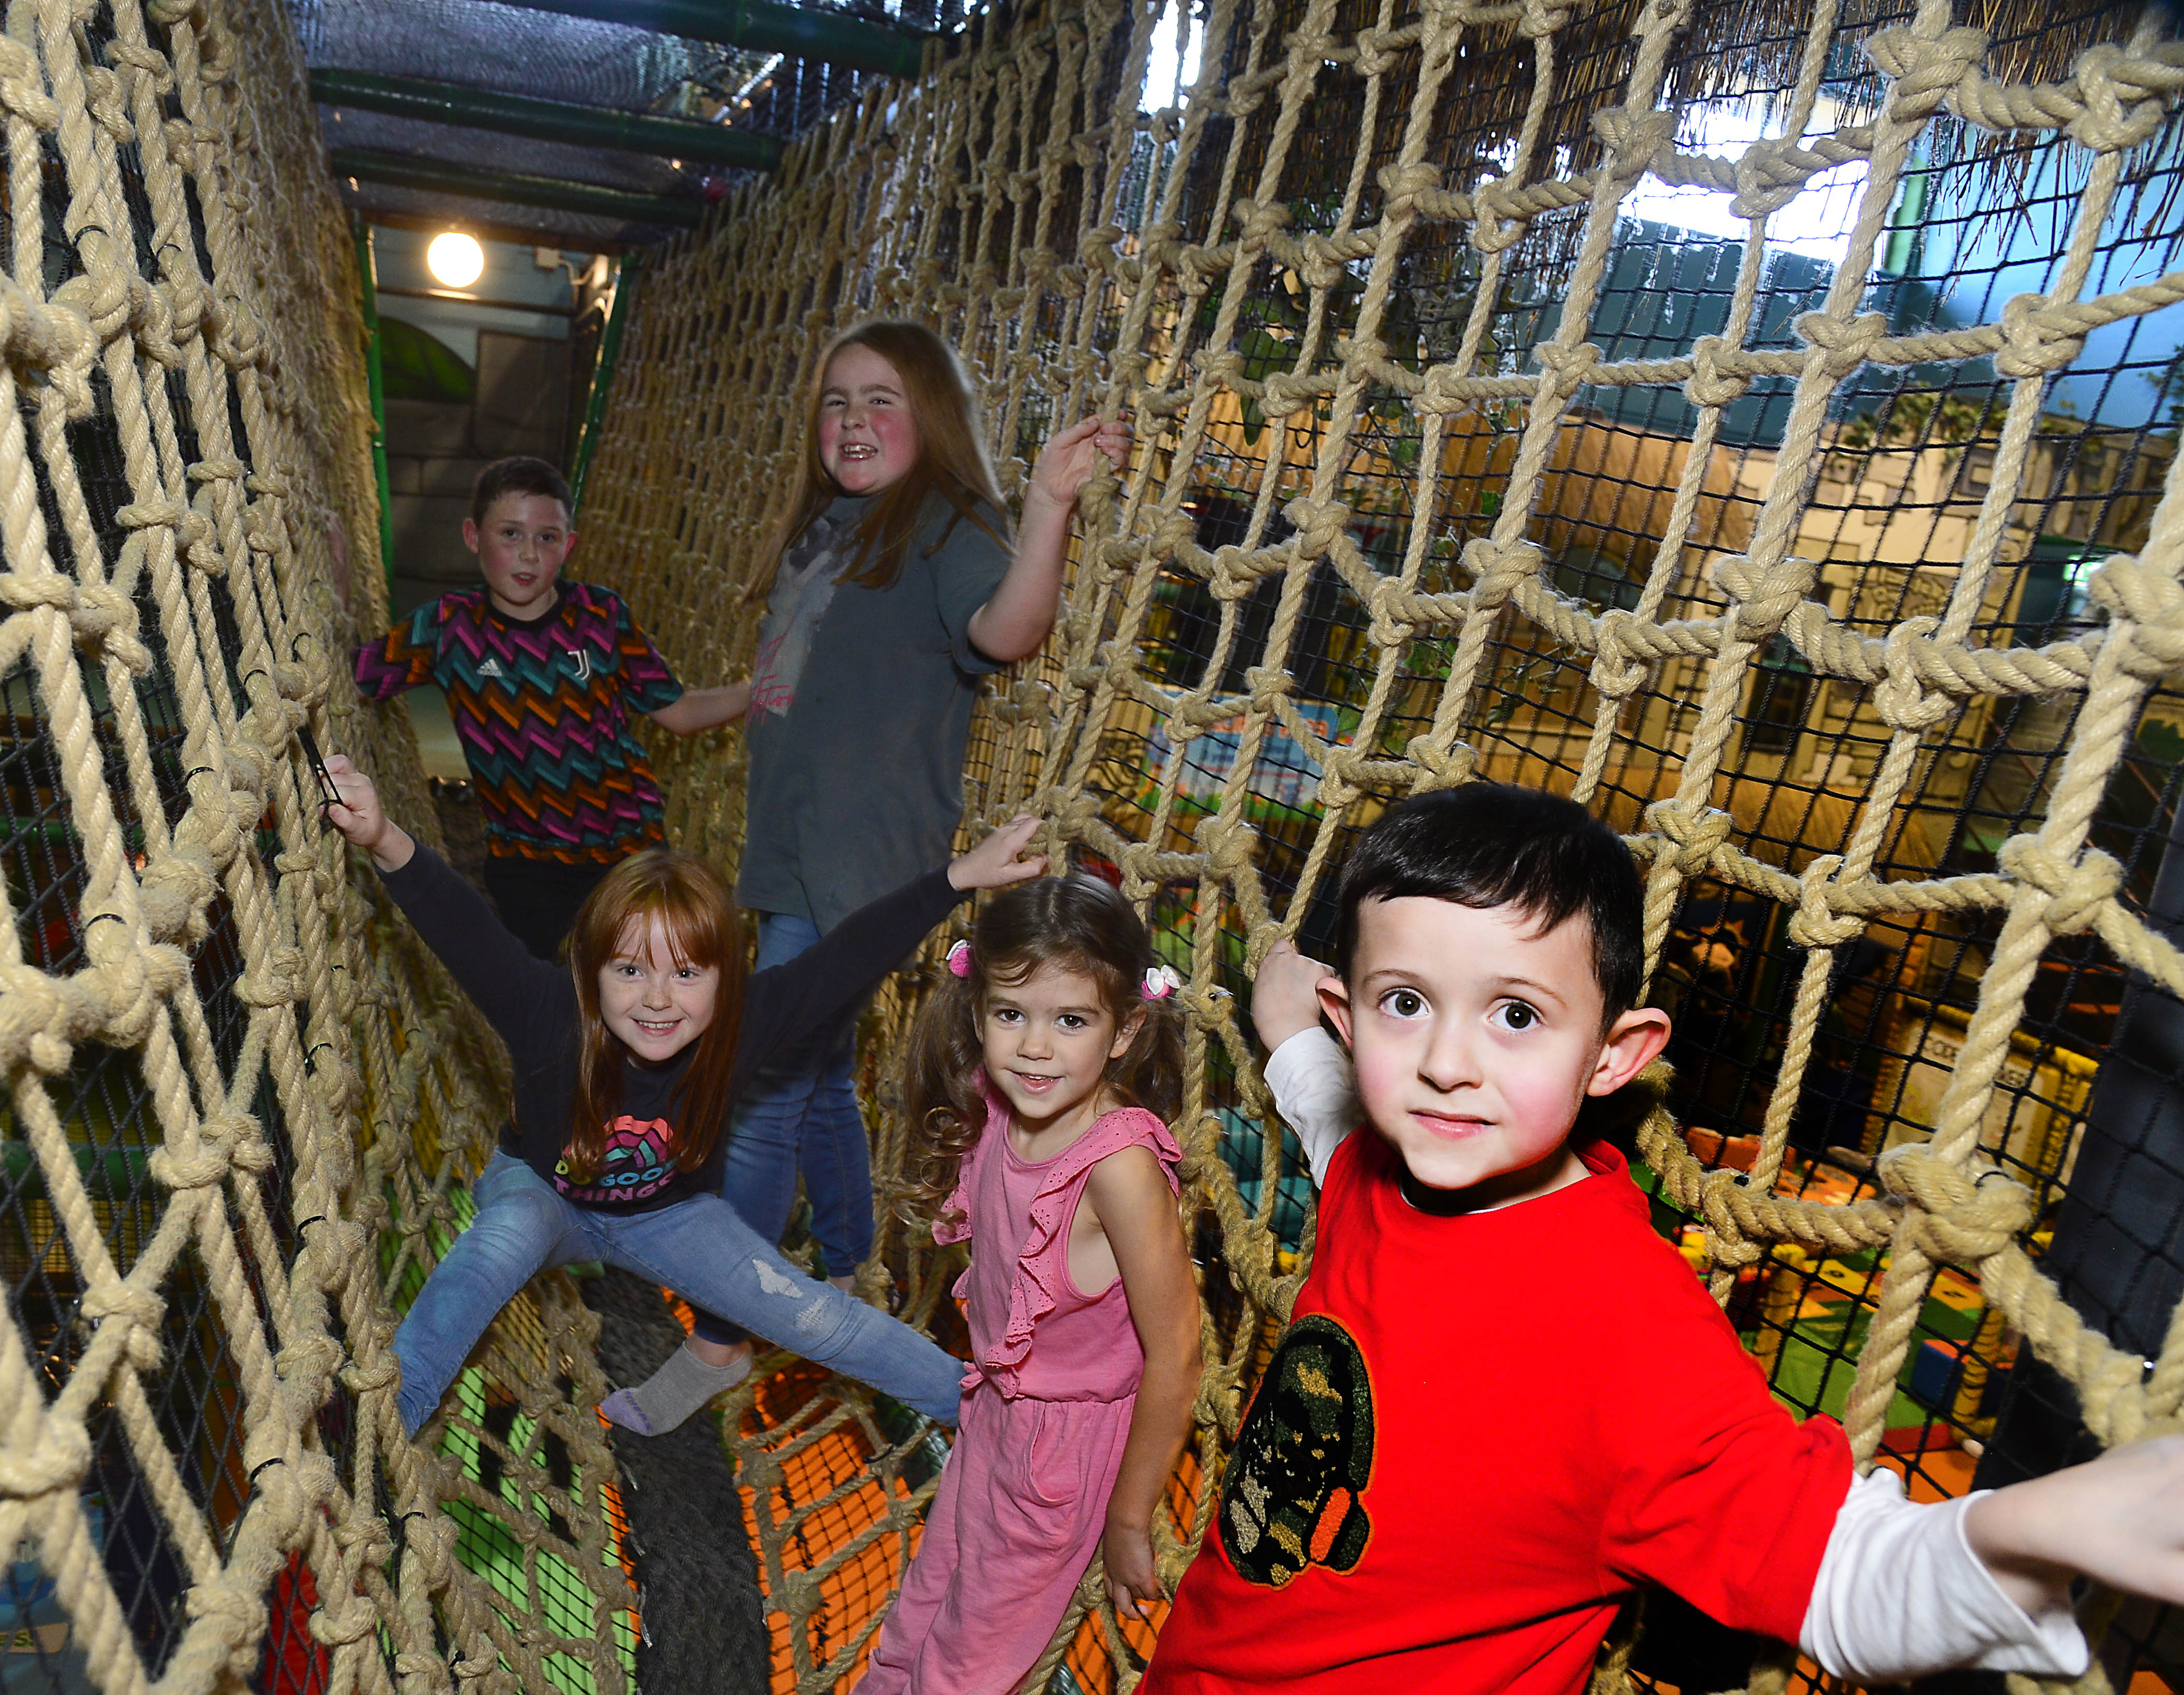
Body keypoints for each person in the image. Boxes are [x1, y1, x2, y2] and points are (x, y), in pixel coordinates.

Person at [1142, 782, 2184, 1693]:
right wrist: (1289, 1030)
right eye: (1406, 1003)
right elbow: (1332, 1125)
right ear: (1351, 1013)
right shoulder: (1381, 1174)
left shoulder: (1621, 1329)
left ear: (1614, 1055)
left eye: (1515, 1014)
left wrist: (2026, 1528)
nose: (1446, 1061)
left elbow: (1845, 1573)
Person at [619, 319, 1133, 1426]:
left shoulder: (945, 527)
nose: (853, 422)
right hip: (797, 852)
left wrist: (1047, 507)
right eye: (837, 401)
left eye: (882, 401)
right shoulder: (826, 529)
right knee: (810, 1079)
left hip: (870, 867)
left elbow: (1005, 631)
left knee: (754, 1088)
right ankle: (847, 1258)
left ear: (932, 418)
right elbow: (789, 688)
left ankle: (717, 1338)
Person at [313, 751, 1047, 1438]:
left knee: (813, 1311)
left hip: (666, 1217)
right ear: (591, 974)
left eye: (687, 974)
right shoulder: (548, 1014)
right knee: (483, 1260)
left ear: (725, 981)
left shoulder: (743, 1023)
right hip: (542, 1193)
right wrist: (382, 838)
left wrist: (956, 879)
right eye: (630, 971)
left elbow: (846, 956)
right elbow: (462, 927)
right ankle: (392, 1416)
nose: (658, 1001)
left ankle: (979, 1411)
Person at [858, 875, 1202, 1695]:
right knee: (925, 1606)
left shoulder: (1118, 1169)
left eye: (1072, 1021)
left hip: (1063, 1451)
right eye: (1012, 1015)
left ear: (1125, 1031)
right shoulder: (999, 1103)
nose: (1035, 1047)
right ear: (978, 1013)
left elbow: (1180, 1354)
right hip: (996, 1412)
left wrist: (1127, 1518)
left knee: (967, 1665)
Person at [350, 455, 749, 960]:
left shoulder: (601, 615)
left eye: (547, 538)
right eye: (510, 535)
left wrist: (757, 691)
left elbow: (677, 711)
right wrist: (341, 585)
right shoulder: (449, 627)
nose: (528, 556)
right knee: (560, 1005)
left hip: (628, 852)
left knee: (644, 982)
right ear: (473, 537)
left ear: (569, 546)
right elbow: (361, 677)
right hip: (527, 866)